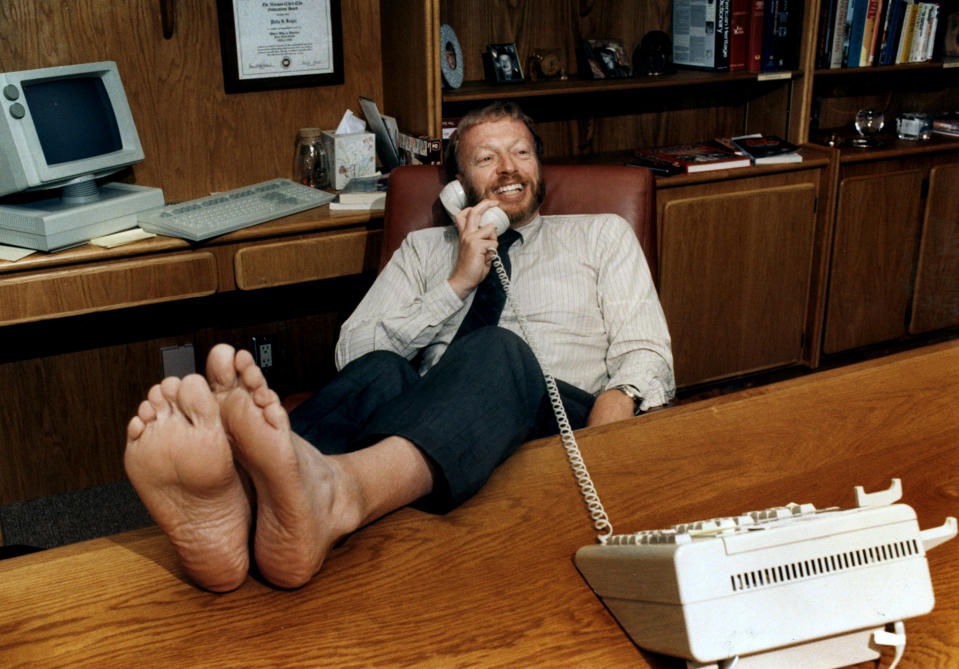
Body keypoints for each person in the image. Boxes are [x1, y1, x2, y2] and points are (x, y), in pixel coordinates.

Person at [124, 101, 674, 593]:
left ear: (539, 165)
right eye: (486, 159)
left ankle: (337, 494)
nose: (508, 168)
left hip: (557, 421)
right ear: (457, 183)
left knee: (498, 349)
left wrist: (619, 405)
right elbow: (354, 352)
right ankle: (239, 508)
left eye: (521, 152)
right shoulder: (423, 250)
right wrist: (456, 282)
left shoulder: (601, 235)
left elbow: (645, 350)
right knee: (383, 369)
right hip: (441, 415)